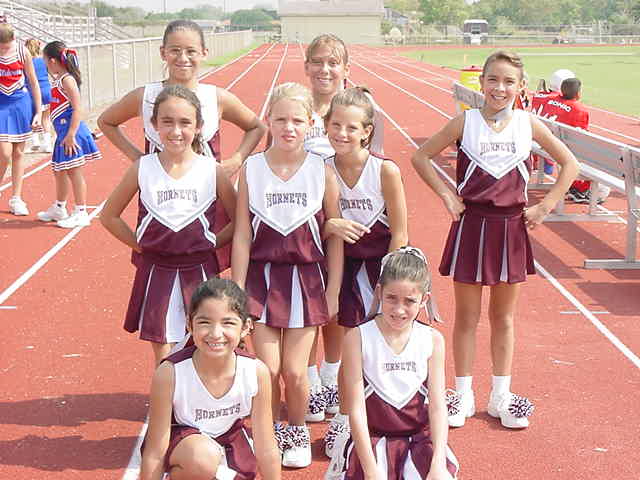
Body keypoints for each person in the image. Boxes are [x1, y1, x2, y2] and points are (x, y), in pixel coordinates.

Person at [412, 51, 579, 429]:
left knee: (503, 317)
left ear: (521, 86)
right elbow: (420, 157)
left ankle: (500, 395)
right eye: (493, 80)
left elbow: (570, 164)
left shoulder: (528, 123)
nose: (499, 88)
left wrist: (545, 205)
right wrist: (446, 195)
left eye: (508, 82)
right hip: (472, 224)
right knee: (466, 317)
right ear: (482, 82)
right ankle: (463, 394)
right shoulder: (465, 121)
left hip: (510, 228)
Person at [232, 82, 342, 468]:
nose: (288, 127)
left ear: (311, 123)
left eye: (297, 120)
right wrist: (237, 291)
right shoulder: (252, 169)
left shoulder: (322, 171)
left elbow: (334, 235)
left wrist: (333, 290)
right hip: (261, 279)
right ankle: (268, 433)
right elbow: (242, 234)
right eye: (280, 119)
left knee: (296, 372)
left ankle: (297, 432)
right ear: (268, 121)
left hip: (306, 280)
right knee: (268, 370)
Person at [98, 20, 264, 271]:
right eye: (175, 50)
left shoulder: (216, 97)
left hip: (205, 200)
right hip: (161, 200)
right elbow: (106, 121)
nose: (183, 57)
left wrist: (237, 160)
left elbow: (256, 126)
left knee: (206, 267)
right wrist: (136, 156)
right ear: (162, 52)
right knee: (157, 264)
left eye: (191, 51)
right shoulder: (145, 96)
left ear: (204, 53)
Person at [100, 85, 236, 366]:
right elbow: (109, 216)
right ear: (154, 125)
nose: (176, 131)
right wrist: (140, 245)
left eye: (185, 122)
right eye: (167, 122)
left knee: (202, 345)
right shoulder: (143, 168)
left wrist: (212, 243)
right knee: (163, 351)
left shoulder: (212, 170)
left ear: (199, 126)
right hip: (157, 270)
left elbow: (240, 220)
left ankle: (196, 392)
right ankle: (166, 393)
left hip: (200, 269)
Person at [302, 33, 386, 423]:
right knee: (307, 307)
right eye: (318, 61)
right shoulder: (297, 109)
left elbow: (373, 166)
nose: (325, 69)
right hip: (307, 231)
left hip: (349, 232)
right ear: (306, 66)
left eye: (333, 63)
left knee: (336, 309)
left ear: (346, 69)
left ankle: (330, 376)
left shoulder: (360, 110)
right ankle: (309, 380)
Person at [320, 86, 408, 456]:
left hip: (381, 266)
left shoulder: (384, 169)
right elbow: (325, 229)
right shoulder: (324, 170)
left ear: (367, 131)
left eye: (351, 127)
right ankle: (343, 419)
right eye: (336, 125)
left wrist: (390, 284)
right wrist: (333, 287)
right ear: (326, 125)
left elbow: (400, 232)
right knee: (349, 344)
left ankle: (387, 412)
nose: (342, 133)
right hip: (344, 263)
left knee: (385, 343)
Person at [326, 247, 459, 480]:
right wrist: (370, 471)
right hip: (372, 442)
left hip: (419, 442)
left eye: (409, 301)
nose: (399, 310)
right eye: (391, 298)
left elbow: (438, 407)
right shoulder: (358, 337)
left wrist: (438, 462)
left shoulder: (432, 340)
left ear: (424, 300)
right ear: (379, 292)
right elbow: (356, 409)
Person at [140, 277, 281, 480]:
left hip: (229, 446)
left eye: (228, 323)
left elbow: (266, 447)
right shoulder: (170, 372)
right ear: (190, 324)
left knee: (211, 460)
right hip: (186, 449)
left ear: (246, 327)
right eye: (205, 322)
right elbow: (155, 452)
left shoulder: (256, 371)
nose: (216, 334)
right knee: (202, 457)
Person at [36, 41, 101, 228]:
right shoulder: (60, 79)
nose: (45, 66)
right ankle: (59, 207)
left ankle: (81, 212)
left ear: (53, 61)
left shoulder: (67, 80)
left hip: (72, 133)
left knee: (74, 172)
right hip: (63, 133)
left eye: (45, 61)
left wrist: (71, 134)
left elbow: (77, 108)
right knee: (59, 171)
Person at [534, 77, 610, 204]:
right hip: (565, 150)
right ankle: (581, 190)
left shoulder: (551, 100)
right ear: (578, 93)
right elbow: (582, 137)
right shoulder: (579, 110)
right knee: (601, 172)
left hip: (546, 145)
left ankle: (575, 186)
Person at [0, 22, 42, 216]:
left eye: (6, 46)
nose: (4, 49)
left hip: (20, 103)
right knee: (4, 152)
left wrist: (38, 112)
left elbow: (33, 82)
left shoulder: (22, 51)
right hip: (1, 104)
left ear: (13, 40)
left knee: (18, 153)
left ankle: (16, 198)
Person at [24, 38, 53, 153]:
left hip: (33, 92)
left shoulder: (27, 62)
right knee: (46, 118)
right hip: (46, 90)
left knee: (32, 117)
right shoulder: (43, 60)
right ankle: (48, 144)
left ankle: (35, 142)